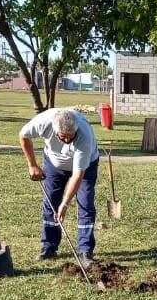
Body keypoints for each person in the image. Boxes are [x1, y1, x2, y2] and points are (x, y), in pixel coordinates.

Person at [19, 106, 100, 262]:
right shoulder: (43, 122)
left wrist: (65, 204)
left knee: (85, 204)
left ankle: (85, 250)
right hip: (54, 164)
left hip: (86, 166)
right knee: (51, 202)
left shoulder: (84, 136)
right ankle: (48, 247)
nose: (67, 141)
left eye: (71, 137)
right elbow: (23, 135)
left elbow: (78, 175)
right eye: (63, 137)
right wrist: (32, 165)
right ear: (54, 131)